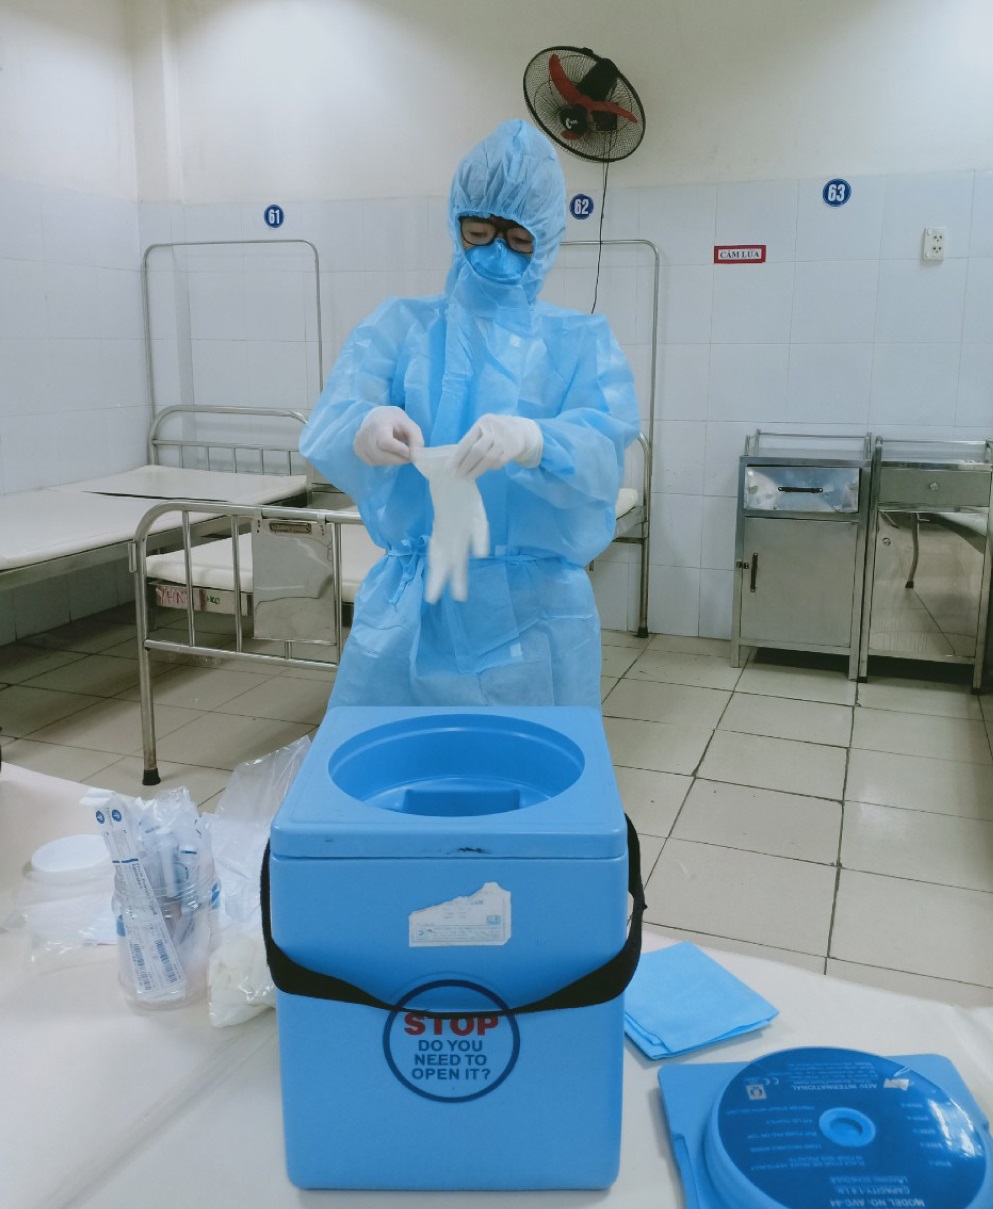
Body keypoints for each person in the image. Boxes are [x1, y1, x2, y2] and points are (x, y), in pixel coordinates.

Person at [299, 118, 639, 707]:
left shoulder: (580, 342)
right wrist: (366, 424)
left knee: (528, 777)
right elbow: (333, 415)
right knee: (398, 770)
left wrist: (536, 439)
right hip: (414, 599)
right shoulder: (401, 326)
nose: (496, 253)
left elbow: (602, 448)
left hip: (538, 613)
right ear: (456, 224)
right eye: (479, 231)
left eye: (519, 239)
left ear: (548, 239)